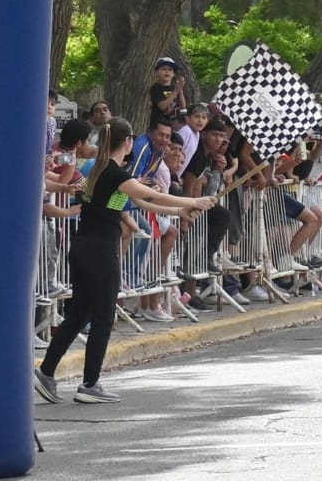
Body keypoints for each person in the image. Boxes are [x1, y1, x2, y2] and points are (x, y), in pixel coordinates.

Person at [33, 118, 214, 404]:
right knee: (103, 317)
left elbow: (141, 203)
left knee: (79, 314)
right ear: (128, 141)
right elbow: (152, 194)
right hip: (100, 251)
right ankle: (89, 384)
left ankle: (47, 371)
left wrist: (181, 210)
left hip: (85, 248)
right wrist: (194, 202)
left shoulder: (106, 172)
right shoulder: (115, 174)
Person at [148, 56, 188, 130]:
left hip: (173, 125)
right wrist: (176, 91)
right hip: (158, 125)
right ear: (157, 72)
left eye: (170, 70)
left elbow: (183, 106)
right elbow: (162, 106)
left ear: (173, 74)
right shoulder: (156, 87)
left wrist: (180, 89)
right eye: (163, 69)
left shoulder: (174, 87)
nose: (167, 71)